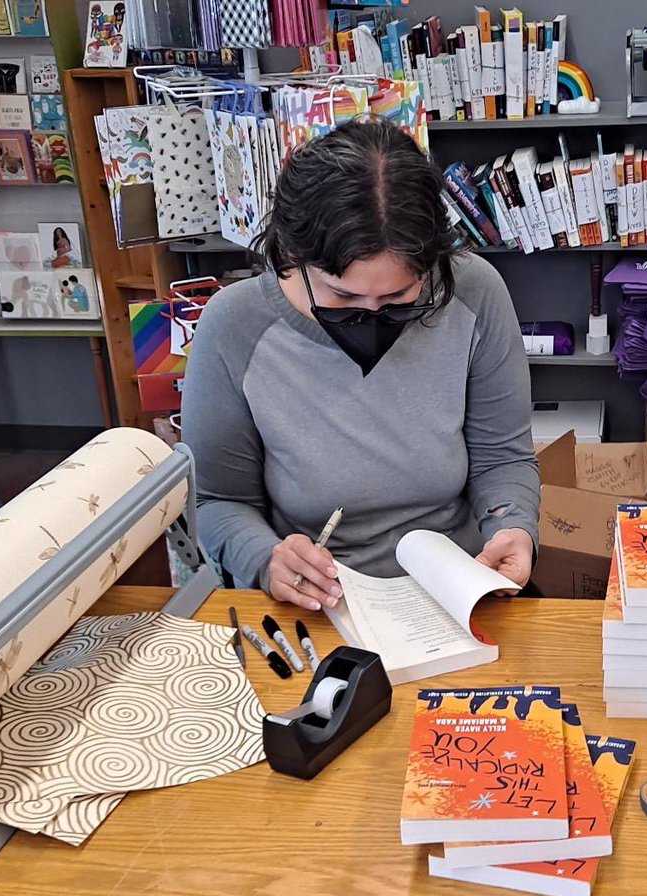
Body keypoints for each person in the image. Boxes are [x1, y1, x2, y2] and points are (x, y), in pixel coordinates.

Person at [181, 120, 539, 612]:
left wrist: (513, 526)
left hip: (460, 587)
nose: (370, 316)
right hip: (319, 602)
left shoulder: (474, 291)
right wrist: (266, 559)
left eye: (398, 297)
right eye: (342, 295)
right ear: (290, 253)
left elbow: (502, 456)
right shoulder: (234, 325)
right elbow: (216, 501)